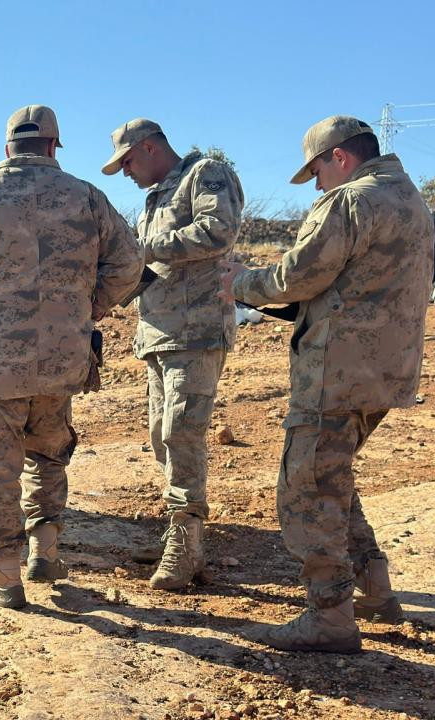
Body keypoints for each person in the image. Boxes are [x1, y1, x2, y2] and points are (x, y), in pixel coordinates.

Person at [0, 105, 143, 608]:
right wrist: (86, 308)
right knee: (49, 452)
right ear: (55, 146)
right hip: (64, 357)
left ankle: (3, 578)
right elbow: (130, 263)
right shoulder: (88, 197)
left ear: (7, 148)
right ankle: (46, 549)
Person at [220, 116, 433, 653]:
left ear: (339, 157)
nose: (316, 184)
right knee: (332, 476)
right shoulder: (412, 200)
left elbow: (297, 277)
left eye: (316, 170)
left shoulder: (350, 202)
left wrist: (239, 284)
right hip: (386, 370)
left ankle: (330, 617)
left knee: (307, 488)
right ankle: (376, 592)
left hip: (337, 372)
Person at [101, 119, 244, 590]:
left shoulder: (204, 174)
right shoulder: (154, 197)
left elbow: (217, 230)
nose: (124, 172)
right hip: (159, 335)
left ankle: (185, 544)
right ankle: (182, 538)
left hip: (197, 331)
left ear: (148, 148)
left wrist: (144, 247)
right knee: (161, 436)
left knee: (182, 434)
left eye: (126, 161)